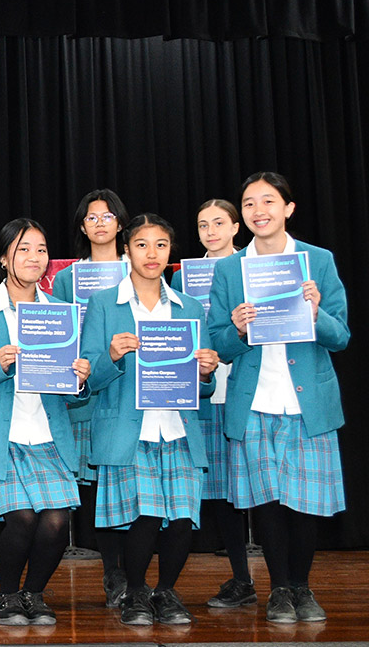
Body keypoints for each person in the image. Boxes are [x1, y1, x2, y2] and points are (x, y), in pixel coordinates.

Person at [208, 172, 348, 624]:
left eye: (268, 201)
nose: (258, 211)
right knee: (266, 502)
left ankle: (302, 587)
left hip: (308, 404)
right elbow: (217, 343)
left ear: (288, 208)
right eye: (249, 203)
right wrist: (239, 329)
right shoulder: (230, 269)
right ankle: (280, 590)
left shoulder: (317, 260)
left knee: (303, 503)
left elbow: (341, 335)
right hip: (253, 403)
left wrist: (316, 312)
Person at [0, 218, 89, 626]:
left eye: (41, 249)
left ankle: (34, 594)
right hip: (0, 436)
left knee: (56, 522)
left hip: (48, 435)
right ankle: (7, 595)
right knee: (23, 519)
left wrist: (79, 380)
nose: (34, 257)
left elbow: (74, 392)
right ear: (5, 258)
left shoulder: (61, 314)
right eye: (24, 249)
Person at [82, 213, 219, 626]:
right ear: (126, 250)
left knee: (180, 518)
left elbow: (206, 388)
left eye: (161, 245)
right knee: (143, 515)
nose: (151, 253)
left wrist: (206, 373)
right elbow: (87, 375)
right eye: (142, 244)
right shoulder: (105, 303)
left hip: (178, 426)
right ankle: (136, 593)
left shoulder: (190, 306)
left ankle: (167, 592)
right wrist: (111, 356)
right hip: (129, 425)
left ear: (170, 252)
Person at [170, 198, 255, 608]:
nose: (211, 232)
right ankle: (234, 580)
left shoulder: (252, 271)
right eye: (203, 225)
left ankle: (249, 579)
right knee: (215, 494)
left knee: (241, 493)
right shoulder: (182, 280)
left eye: (219, 223)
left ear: (236, 226)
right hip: (197, 393)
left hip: (239, 390)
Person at [50, 188, 131, 607]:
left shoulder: (140, 267)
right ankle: (112, 571)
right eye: (92, 218)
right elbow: (57, 335)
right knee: (97, 486)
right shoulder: (66, 278)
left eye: (107, 216)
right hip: (84, 395)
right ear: (83, 227)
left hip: (128, 390)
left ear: (121, 222)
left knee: (127, 482)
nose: (100, 223)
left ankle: (129, 572)